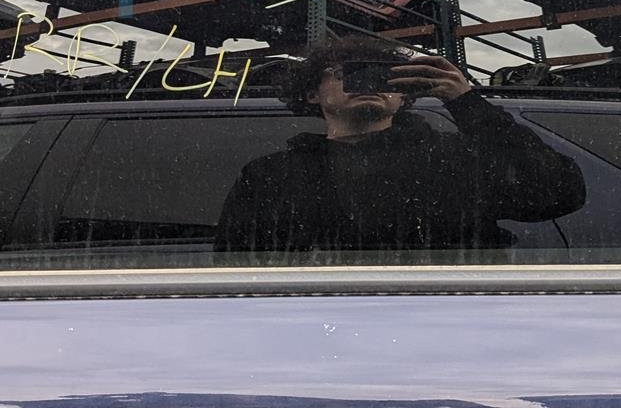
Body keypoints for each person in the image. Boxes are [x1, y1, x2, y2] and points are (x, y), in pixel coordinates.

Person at [214, 37, 585, 256]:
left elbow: (556, 193)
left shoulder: (454, 157)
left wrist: (467, 102)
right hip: (320, 325)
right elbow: (236, 262)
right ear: (312, 93)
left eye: (382, 75)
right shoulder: (271, 175)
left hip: (451, 319)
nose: (367, 83)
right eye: (348, 73)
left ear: (404, 93)